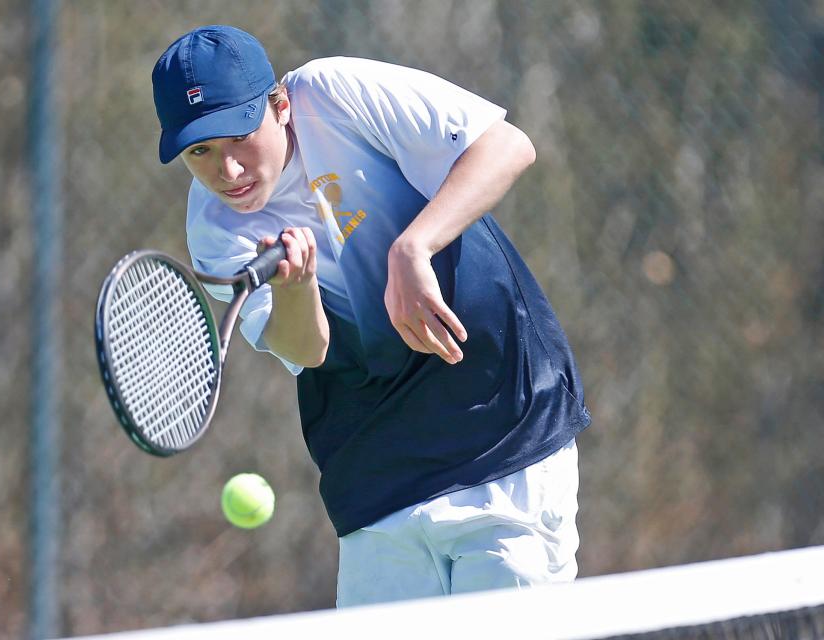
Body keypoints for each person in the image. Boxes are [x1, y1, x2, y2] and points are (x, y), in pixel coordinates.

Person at [151, 25, 591, 606]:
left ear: (279, 106)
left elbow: (508, 146)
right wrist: (297, 286)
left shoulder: (334, 93)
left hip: (503, 430)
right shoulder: (213, 230)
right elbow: (305, 351)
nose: (226, 171)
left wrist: (415, 246)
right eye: (199, 152)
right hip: (378, 475)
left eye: (238, 137)